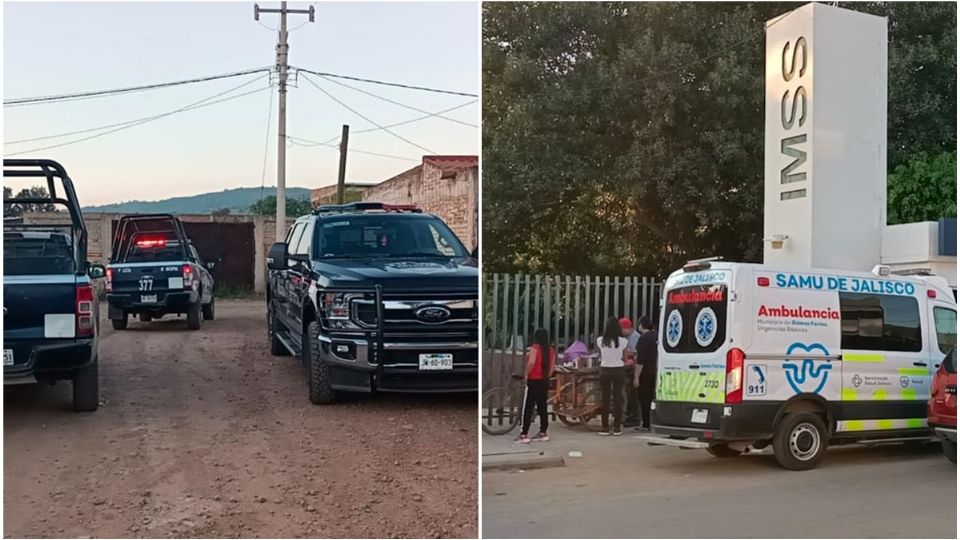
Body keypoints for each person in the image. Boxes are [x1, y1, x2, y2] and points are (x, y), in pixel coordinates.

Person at [516, 328, 556, 444]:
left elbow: (532, 363)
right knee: (542, 406)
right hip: (544, 380)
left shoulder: (534, 348)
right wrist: (546, 377)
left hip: (534, 380)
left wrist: (526, 374)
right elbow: (552, 367)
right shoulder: (551, 350)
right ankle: (543, 432)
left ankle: (524, 434)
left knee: (529, 406)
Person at [596, 316, 630, 436]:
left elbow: (601, 356)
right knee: (618, 399)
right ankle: (617, 428)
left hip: (605, 370)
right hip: (618, 371)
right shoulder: (623, 341)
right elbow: (625, 358)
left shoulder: (600, 340)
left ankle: (604, 427)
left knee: (605, 399)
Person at [632, 316, 658, 431]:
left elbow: (640, 360)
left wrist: (636, 377)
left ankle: (646, 424)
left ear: (641, 326)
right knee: (654, 397)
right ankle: (654, 422)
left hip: (646, 373)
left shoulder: (643, 339)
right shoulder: (657, 336)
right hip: (656, 372)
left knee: (644, 399)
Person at [622, 318, 643, 428]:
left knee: (634, 394)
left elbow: (634, 352)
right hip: (630, 368)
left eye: (621, 329)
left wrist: (623, 353)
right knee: (630, 394)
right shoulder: (628, 337)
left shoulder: (634, 337)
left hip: (635, 368)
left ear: (626, 328)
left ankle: (635, 418)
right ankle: (631, 416)